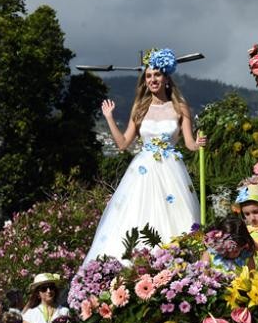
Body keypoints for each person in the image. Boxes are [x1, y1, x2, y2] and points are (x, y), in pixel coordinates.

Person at [86, 48, 203, 262]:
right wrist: (109, 118)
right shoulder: (140, 108)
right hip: (143, 171)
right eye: (148, 76)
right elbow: (123, 144)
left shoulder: (180, 108)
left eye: (156, 75)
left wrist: (198, 144)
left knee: (175, 217)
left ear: (166, 78)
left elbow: (190, 144)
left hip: (171, 171)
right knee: (138, 215)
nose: (152, 79)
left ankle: (175, 263)